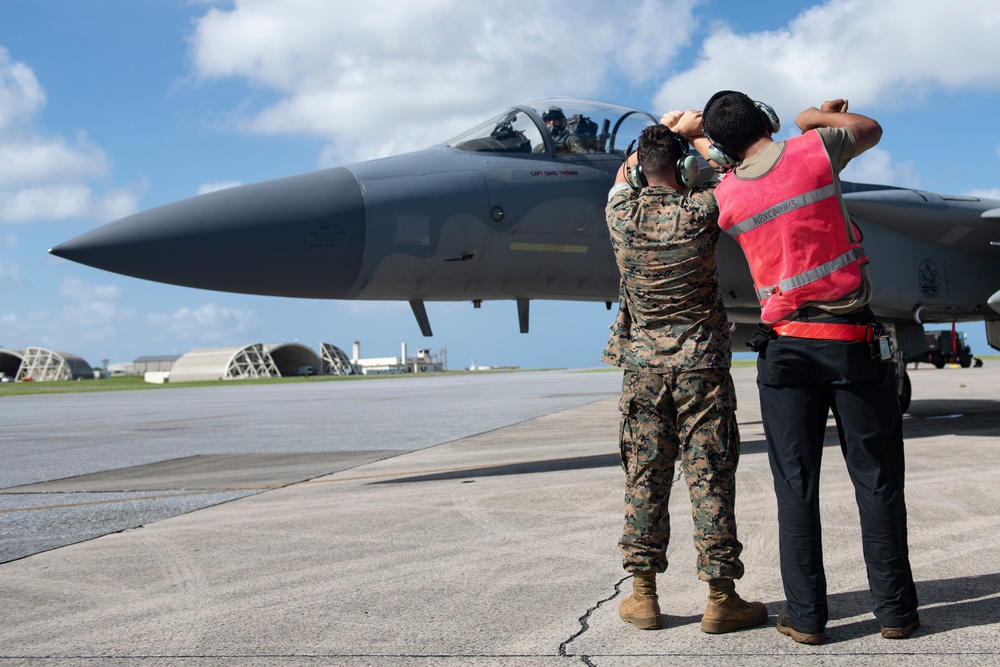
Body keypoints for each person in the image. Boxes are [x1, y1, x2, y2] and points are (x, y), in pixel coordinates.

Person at [699, 91, 920, 644]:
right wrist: (815, 116)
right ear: (767, 119)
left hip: (785, 351)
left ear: (722, 147)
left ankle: (807, 618)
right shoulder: (814, 149)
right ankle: (894, 613)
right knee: (876, 480)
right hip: (850, 340)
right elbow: (870, 127)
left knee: (795, 487)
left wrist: (693, 136)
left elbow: (728, 162)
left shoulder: (727, 197)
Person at [602, 111, 767, 634]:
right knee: (710, 474)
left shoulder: (620, 213)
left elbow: (627, 174)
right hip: (702, 367)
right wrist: (692, 132)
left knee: (645, 476)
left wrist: (664, 128)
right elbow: (728, 160)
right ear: (681, 168)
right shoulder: (701, 209)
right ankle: (721, 598)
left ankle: (644, 596)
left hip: (643, 370)